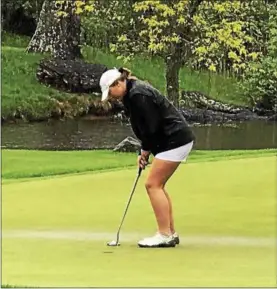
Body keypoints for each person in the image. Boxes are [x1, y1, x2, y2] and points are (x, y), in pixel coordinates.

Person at [99, 67, 195, 248]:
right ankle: (170, 233)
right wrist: (144, 149)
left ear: (118, 83)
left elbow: (152, 126)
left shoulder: (138, 95)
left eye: (111, 92)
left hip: (174, 139)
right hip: (172, 139)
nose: (111, 97)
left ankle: (164, 234)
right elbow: (144, 127)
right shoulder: (131, 93)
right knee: (157, 184)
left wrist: (145, 149)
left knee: (153, 184)